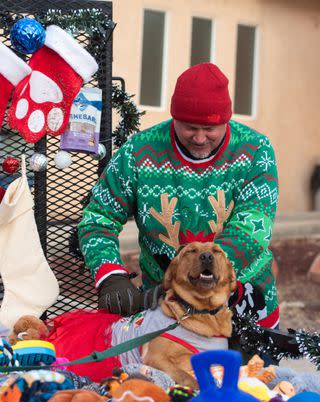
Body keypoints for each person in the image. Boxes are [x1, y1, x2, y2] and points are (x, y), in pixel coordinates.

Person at [78, 62, 279, 341]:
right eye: (189, 127)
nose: (199, 138)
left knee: (250, 383)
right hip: (167, 310)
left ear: (226, 121)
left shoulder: (256, 151)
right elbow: (98, 218)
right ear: (174, 117)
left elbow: (254, 225)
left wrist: (202, 274)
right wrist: (110, 272)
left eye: (210, 128)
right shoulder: (138, 152)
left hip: (243, 308)